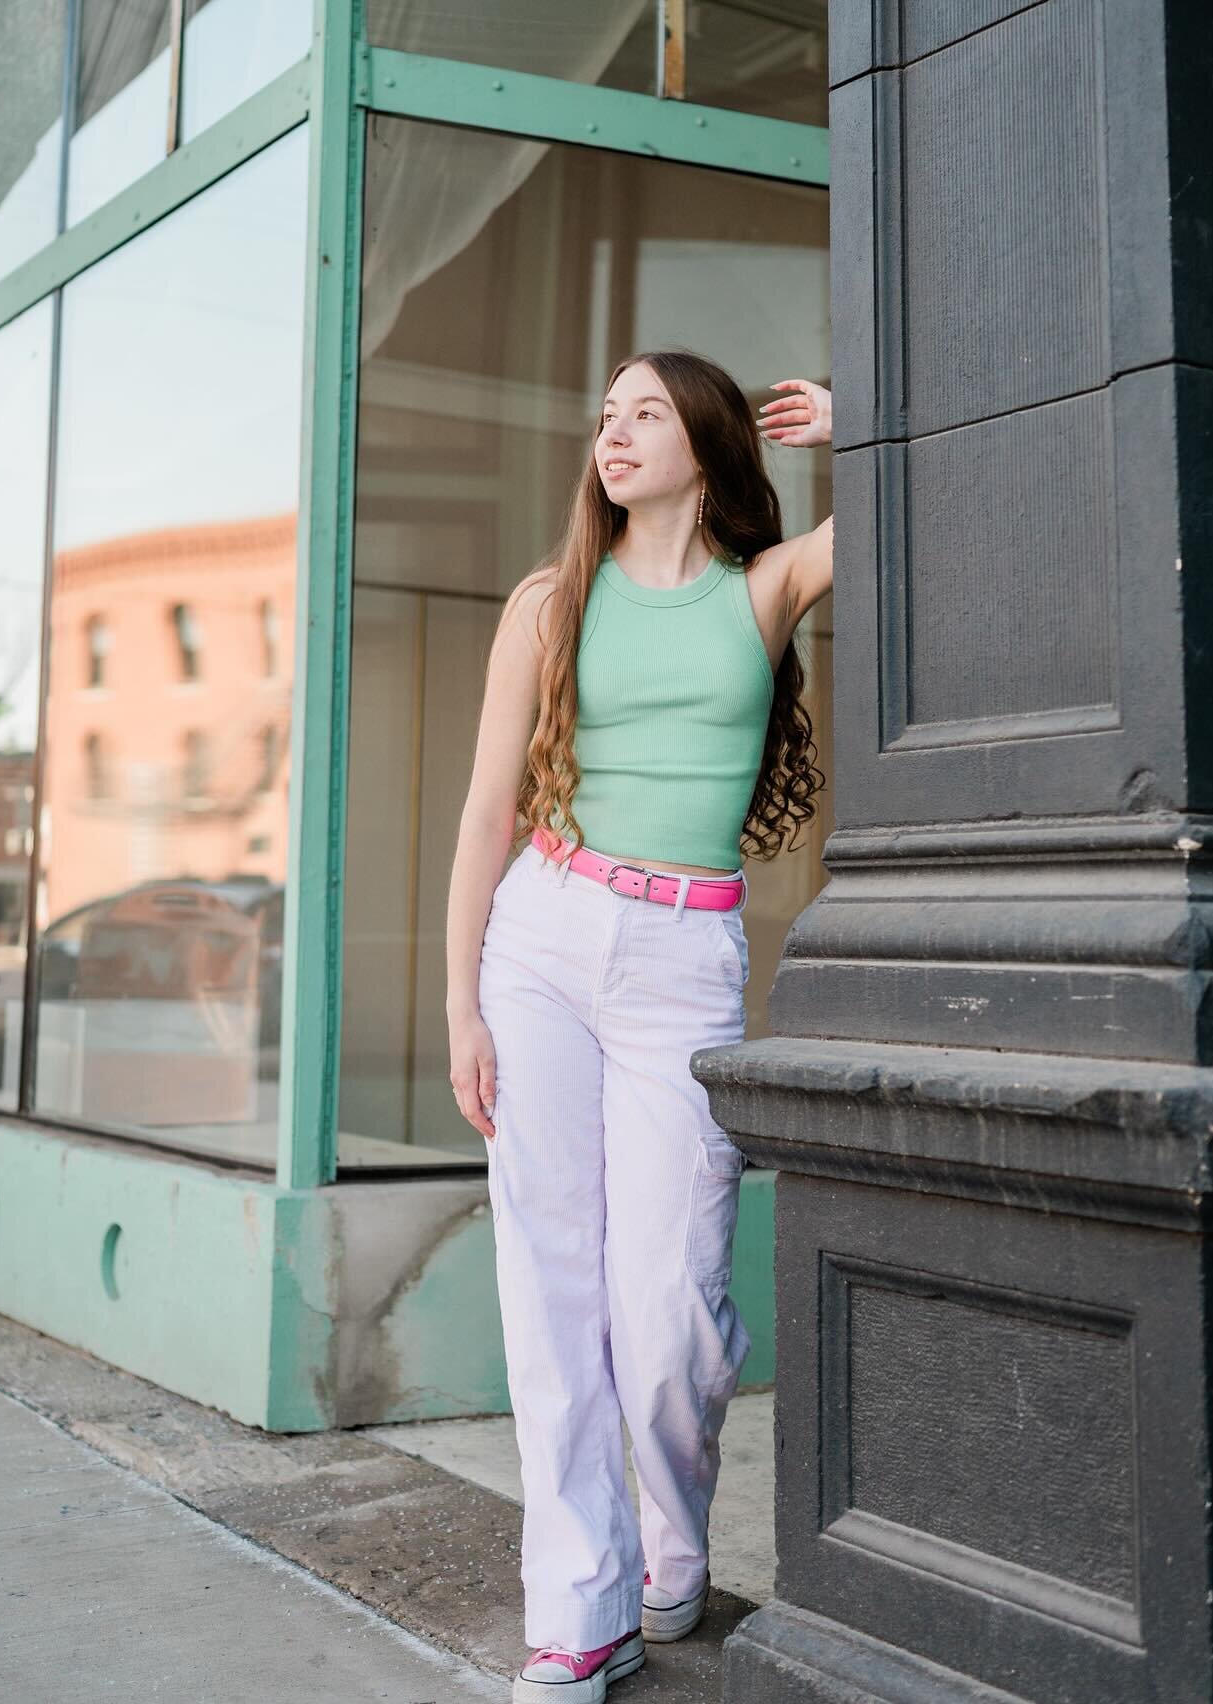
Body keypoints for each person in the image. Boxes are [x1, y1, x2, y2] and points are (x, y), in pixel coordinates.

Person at [446, 353, 834, 1700]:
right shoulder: (551, 602)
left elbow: (935, 506)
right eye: (603, 417)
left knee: (667, 1307)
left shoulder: (763, 589)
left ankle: (673, 1530)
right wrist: (460, 1005)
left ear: (710, 446)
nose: (614, 434)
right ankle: (582, 1608)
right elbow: (489, 814)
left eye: (646, 413)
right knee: (551, 1288)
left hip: (683, 953)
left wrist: (860, 427)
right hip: (542, 940)